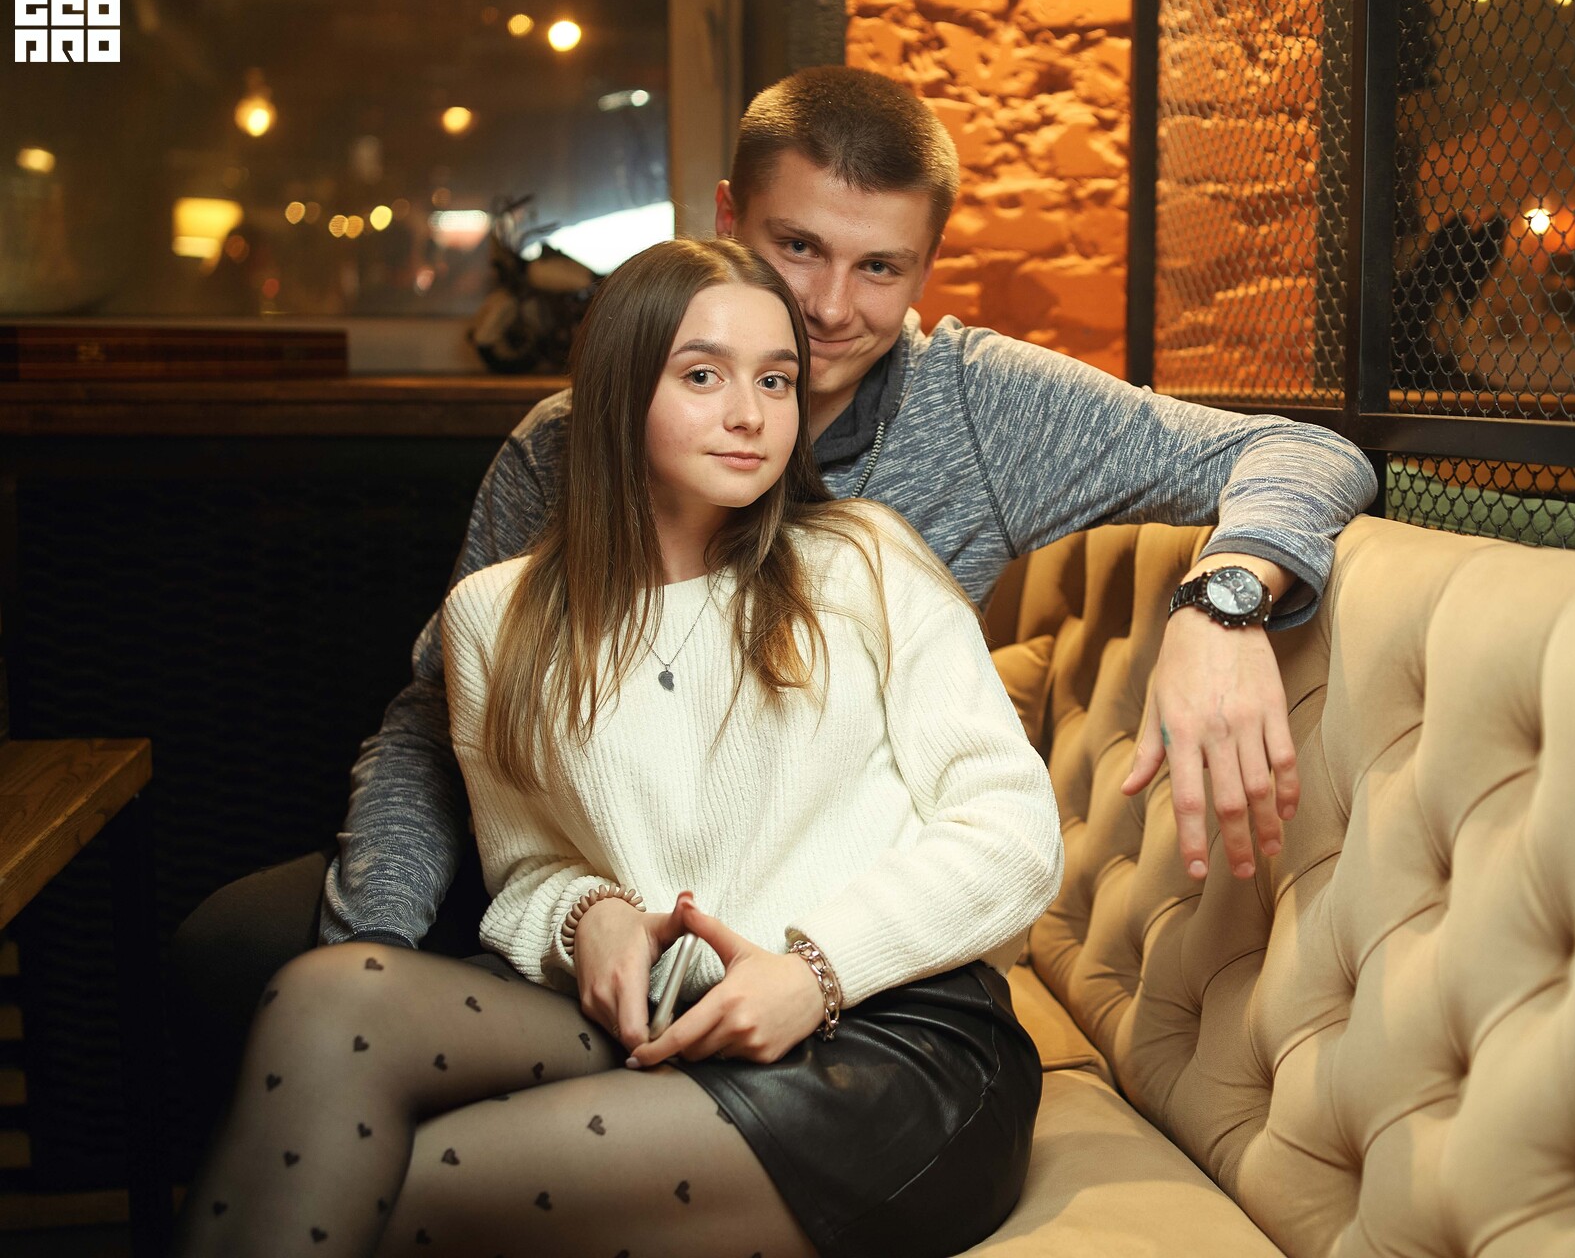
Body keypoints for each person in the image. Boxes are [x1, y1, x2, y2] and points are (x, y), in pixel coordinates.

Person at [171, 65, 1376, 1107]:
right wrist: (382, 941)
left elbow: (1302, 449)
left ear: (927, 264)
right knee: (245, 956)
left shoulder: (975, 410)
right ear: (726, 217)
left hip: (813, 906)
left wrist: (1223, 603)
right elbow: (438, 722)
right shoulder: (572, 442)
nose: (829, 308)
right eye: (796, 247)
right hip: (572, 877)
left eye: (880, 266)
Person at [174, 237, 1063, 1258]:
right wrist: (584, 914)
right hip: (660, 1019)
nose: (750, 413)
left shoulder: (864, 560)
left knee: (371, 1182)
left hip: (882, 1046)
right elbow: (527, 863)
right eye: (703, 375)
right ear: (615, 390)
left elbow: (1013, 829)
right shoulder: (496, 617)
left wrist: (813, 970)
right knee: (328, 995)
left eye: (776, 380)